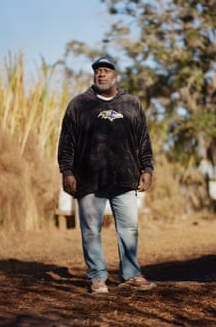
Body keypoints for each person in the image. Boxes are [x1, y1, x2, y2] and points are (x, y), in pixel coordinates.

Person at [57, 55, 156, 294]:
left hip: (125, 178)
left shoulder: (131, 104)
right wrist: (67, 171)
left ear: (115, 75)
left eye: (107, 70)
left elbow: (143, 139)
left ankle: (131, 274)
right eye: (98, 70)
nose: (101, 74)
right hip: (89, 179)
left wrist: (147, 168)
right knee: (91, 229)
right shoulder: (80, 104)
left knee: (129, 228)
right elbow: (66, 142)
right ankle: (97, 277)